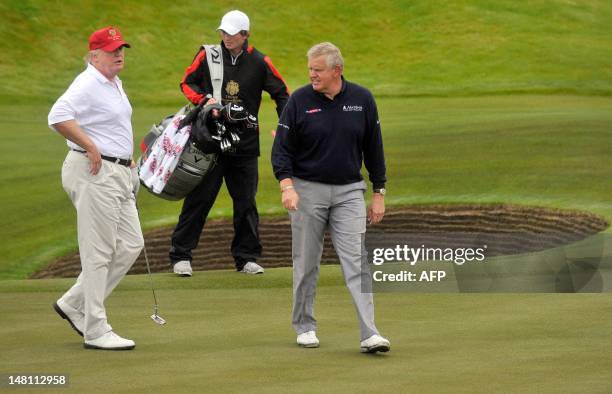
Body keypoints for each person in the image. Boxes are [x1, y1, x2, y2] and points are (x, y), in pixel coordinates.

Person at [271, 42, 390, 353]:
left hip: (350, 191)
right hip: (307, 190)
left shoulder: (362, 99)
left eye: (318, 70)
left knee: (356, 261)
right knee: (307, 261)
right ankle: (305, 326)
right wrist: (287, 186)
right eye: (310, 69)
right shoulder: (299, 100)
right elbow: (281, 149)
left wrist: (379, 192)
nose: (312, 74)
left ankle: (370, 333)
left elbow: (374, 148)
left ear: (337, 70)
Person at [170, 10, 289, 277]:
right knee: (199, 199)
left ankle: (246, 257)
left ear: (245, 35)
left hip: (245, 145)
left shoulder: (260, 62)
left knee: (246, 202)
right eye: (223, 32)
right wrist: (204, 101)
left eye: (231, 33)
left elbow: (282, 93)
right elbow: (186, 83)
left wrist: (287, 128)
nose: (225, 37)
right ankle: (181, 255)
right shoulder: (208, 55)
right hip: (210, 141)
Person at [48, 26, 143, 350]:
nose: (119, 54)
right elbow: (57, 115)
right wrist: (90, 146)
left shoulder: (113, 82)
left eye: (121, 49)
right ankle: (95, 329)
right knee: (98, 251)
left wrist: (126, 158)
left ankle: (74, 303)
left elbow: (112, 124)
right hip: (94, 172)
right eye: (112, 50)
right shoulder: (88, 82)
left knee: (131, 244)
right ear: (94, 55)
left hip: (117, 171)